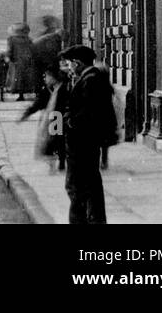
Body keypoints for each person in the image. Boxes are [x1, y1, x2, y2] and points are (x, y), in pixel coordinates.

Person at [60, 44, 117, 225]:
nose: (68, 68)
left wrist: (69, 122)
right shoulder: (91, 77)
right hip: (87, 141)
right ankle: (94, 220)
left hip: (82, 141)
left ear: (77, 63)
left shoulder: (90, 80)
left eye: (69, 64)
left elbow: (87, 112)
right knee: (89, 185)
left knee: (77, 187)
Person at [20, 64, 68, 171]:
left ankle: (61, 163)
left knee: (59, 141)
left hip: (59, 118)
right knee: (51, 141)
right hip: (51, 119)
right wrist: (27, 113)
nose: (45, 79)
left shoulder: (63, 88)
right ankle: (54, 163)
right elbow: (38, 103)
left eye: (47, 77)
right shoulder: (47, 90)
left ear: (53, 77)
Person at [31, 15, 63, 98]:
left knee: (41, 76)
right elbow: (53, 50)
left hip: (39, 56)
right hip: (40, 56)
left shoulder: (46, 34)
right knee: (46, 75)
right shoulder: (54, 36)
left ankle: (43, 92)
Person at [5, 23, 35, 101]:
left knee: (17, 78)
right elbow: (32, 50)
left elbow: (9, 50)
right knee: (25, 78)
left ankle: (20, 95)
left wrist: (8, 57)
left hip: (16, 61)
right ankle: (24, 93)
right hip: (27, 61)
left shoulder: (11, 39)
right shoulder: (28, 39)